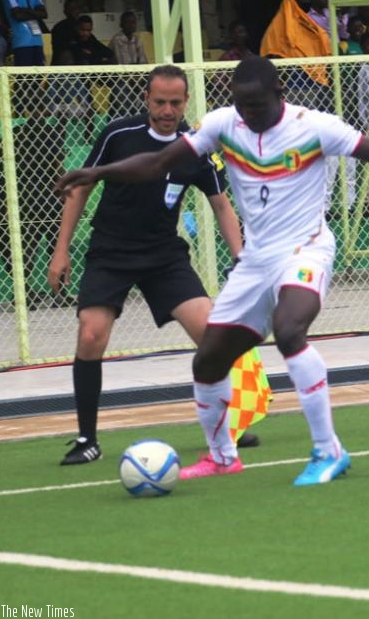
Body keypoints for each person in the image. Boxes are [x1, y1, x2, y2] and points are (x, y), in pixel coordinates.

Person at [56, 56, 369, 485]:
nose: (249, 114)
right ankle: (222, 457)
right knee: (208, 361)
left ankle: (328, 450)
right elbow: (159, 161)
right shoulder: (222, 125)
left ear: (279, 94)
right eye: (242, 105)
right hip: (257, 260)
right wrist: (99, 173)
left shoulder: (316, 127)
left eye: (257, 105)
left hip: (305, 250)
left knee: (288, 329)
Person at [47, 64, 259, 466]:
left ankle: (227, 425)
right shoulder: (118, 134)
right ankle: (87, 439)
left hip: (164, 255)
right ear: (146, 99)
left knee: (213, 333)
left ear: (186, 102)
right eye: (159, 101)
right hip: (110, 252)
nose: (167, 110)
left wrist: (241, 258)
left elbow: (221, 205)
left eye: (175, 102)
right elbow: (80, 187)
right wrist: (61, 251)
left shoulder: (195, 147)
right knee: (91, 334)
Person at [0, 0, 47, 67]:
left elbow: (44, 14)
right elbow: (17, 16)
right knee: (23, 75)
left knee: (38, 74)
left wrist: (24, 10)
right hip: (21, 41)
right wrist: (34, 13)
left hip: (37, 41)